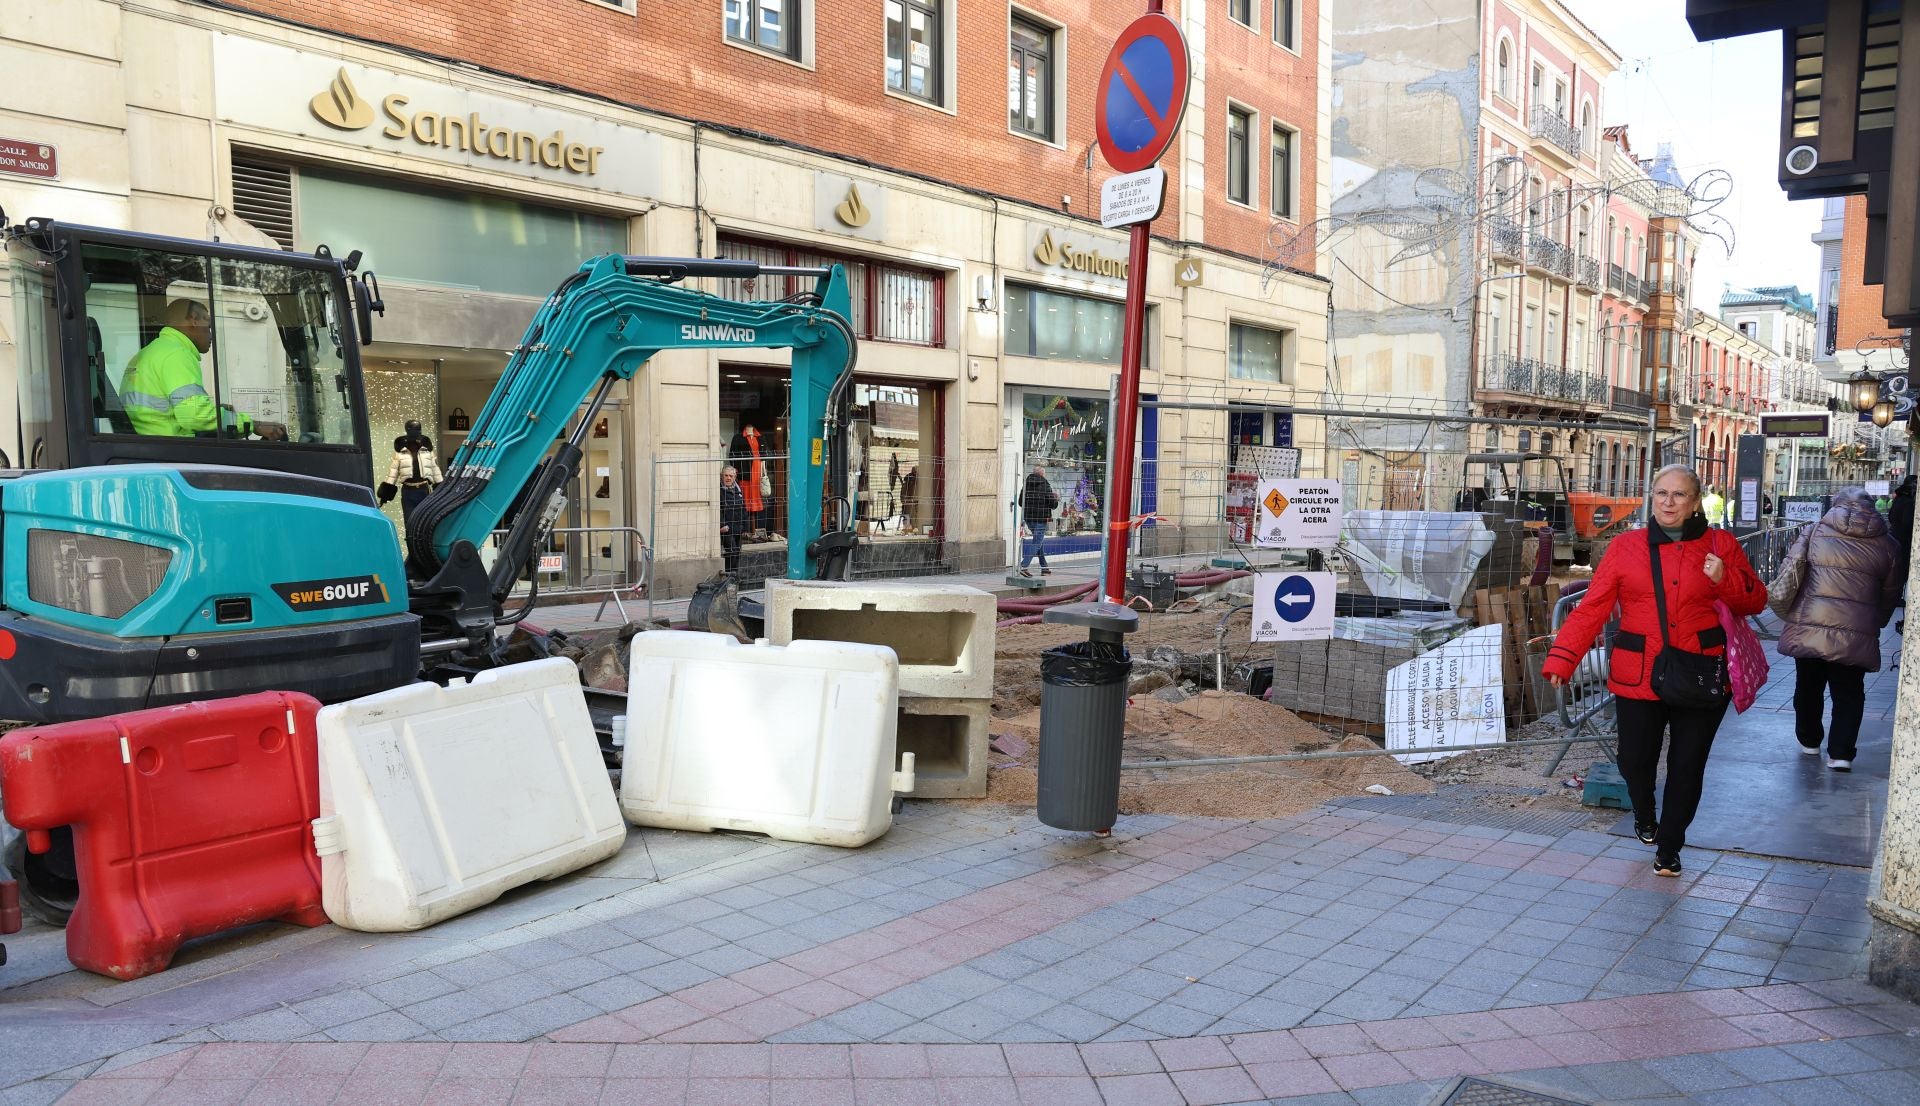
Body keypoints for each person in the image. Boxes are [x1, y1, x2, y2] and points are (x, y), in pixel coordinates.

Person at [1542, 464, 1767, 877]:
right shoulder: (1627, 547)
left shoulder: (1721, 545)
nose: (1668, 502)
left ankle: (1670, 845)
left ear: (1695, 501)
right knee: (1634, 760)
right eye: (1661, 493)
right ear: (1651, 496)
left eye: (1679, 495)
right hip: (1639, 671)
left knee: (1687, 764)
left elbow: (1755, 600)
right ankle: (1644, 814)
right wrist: (1563, 657)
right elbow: (1593, 606)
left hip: (1701, 670)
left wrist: (1725, 578)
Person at [1770, 488, 1901, 771]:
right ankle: (1841, 753)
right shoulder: (1888, 545)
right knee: (1850, 692)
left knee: (1808, 685)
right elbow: (1890, 593)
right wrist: (1878, 620)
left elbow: (1791, 569)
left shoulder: (1815, 531)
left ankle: (1809, 739)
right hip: (1856, 629)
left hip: (1811, 621)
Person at [121, 299, 285, 440]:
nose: (210, 334)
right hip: (175, 452)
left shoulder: (149, 352)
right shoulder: (177, 354)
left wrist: (215, 411)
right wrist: (252, 425)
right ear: (194, 320)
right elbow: (194, 416)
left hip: (153, 447)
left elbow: (165, 409)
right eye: (208, 325)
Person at [377, 420, 442, 525]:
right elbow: (393, 474)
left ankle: (424, 541)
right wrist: (385, 495)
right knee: (410, 522)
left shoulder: (427, 451)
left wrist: (441, 488)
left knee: (426, 522)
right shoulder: (400, 453)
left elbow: (435, 470)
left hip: (424, 490)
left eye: (418, 429)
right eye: (413, 429)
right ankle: (411, 541)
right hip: (408, 491)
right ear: (407, 430)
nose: (416, 432)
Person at [1018, 464, 1059, 577]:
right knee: (1037, 542)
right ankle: (1023, 566)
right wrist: (1056, 498)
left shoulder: (1026, 484)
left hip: (1029, 518)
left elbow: (1020, 502)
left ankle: (1044, 568)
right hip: (1041, 519)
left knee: (1038, 542)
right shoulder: (1045, 485)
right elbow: (1053, 504)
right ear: (1042, 474)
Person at [719, 465, 747, 575]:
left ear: (735, 477)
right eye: (726, 475)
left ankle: (734, 576)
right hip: (727, 529)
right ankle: (728, 575)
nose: (728, 478)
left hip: (738, 527)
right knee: (732, 551)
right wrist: (722, 525)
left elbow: (743, 508)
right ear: (722, 476)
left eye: (731, 476)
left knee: (737, 553)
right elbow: (718, 509)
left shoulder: (738, 490)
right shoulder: (719, 490)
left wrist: (745, 527)